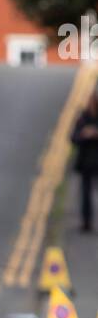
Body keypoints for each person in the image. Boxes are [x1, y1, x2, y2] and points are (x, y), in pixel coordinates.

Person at [71, 83, 98, 232]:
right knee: (85, 194)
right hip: (86, 162)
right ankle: (86, 222)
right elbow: (73, 138)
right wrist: (84, 134)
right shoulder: (83, 118)